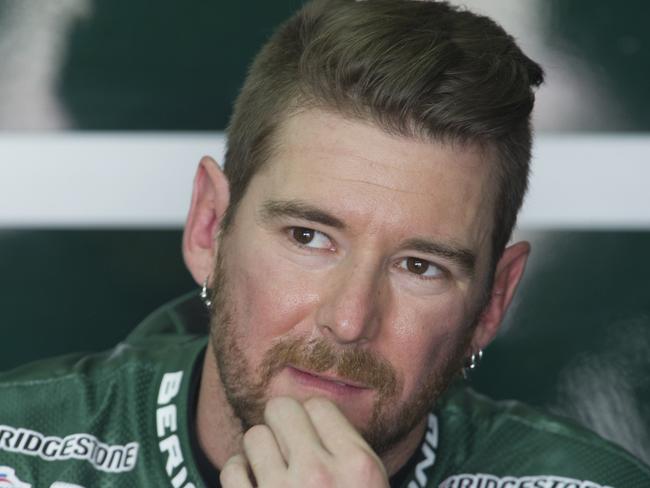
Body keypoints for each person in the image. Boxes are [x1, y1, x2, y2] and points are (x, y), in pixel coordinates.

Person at [1, 0, 649, 487]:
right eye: (308, 237)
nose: (347, 320)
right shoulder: (19, 452)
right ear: (209, 228)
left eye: (419, 265)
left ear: (492, 301)